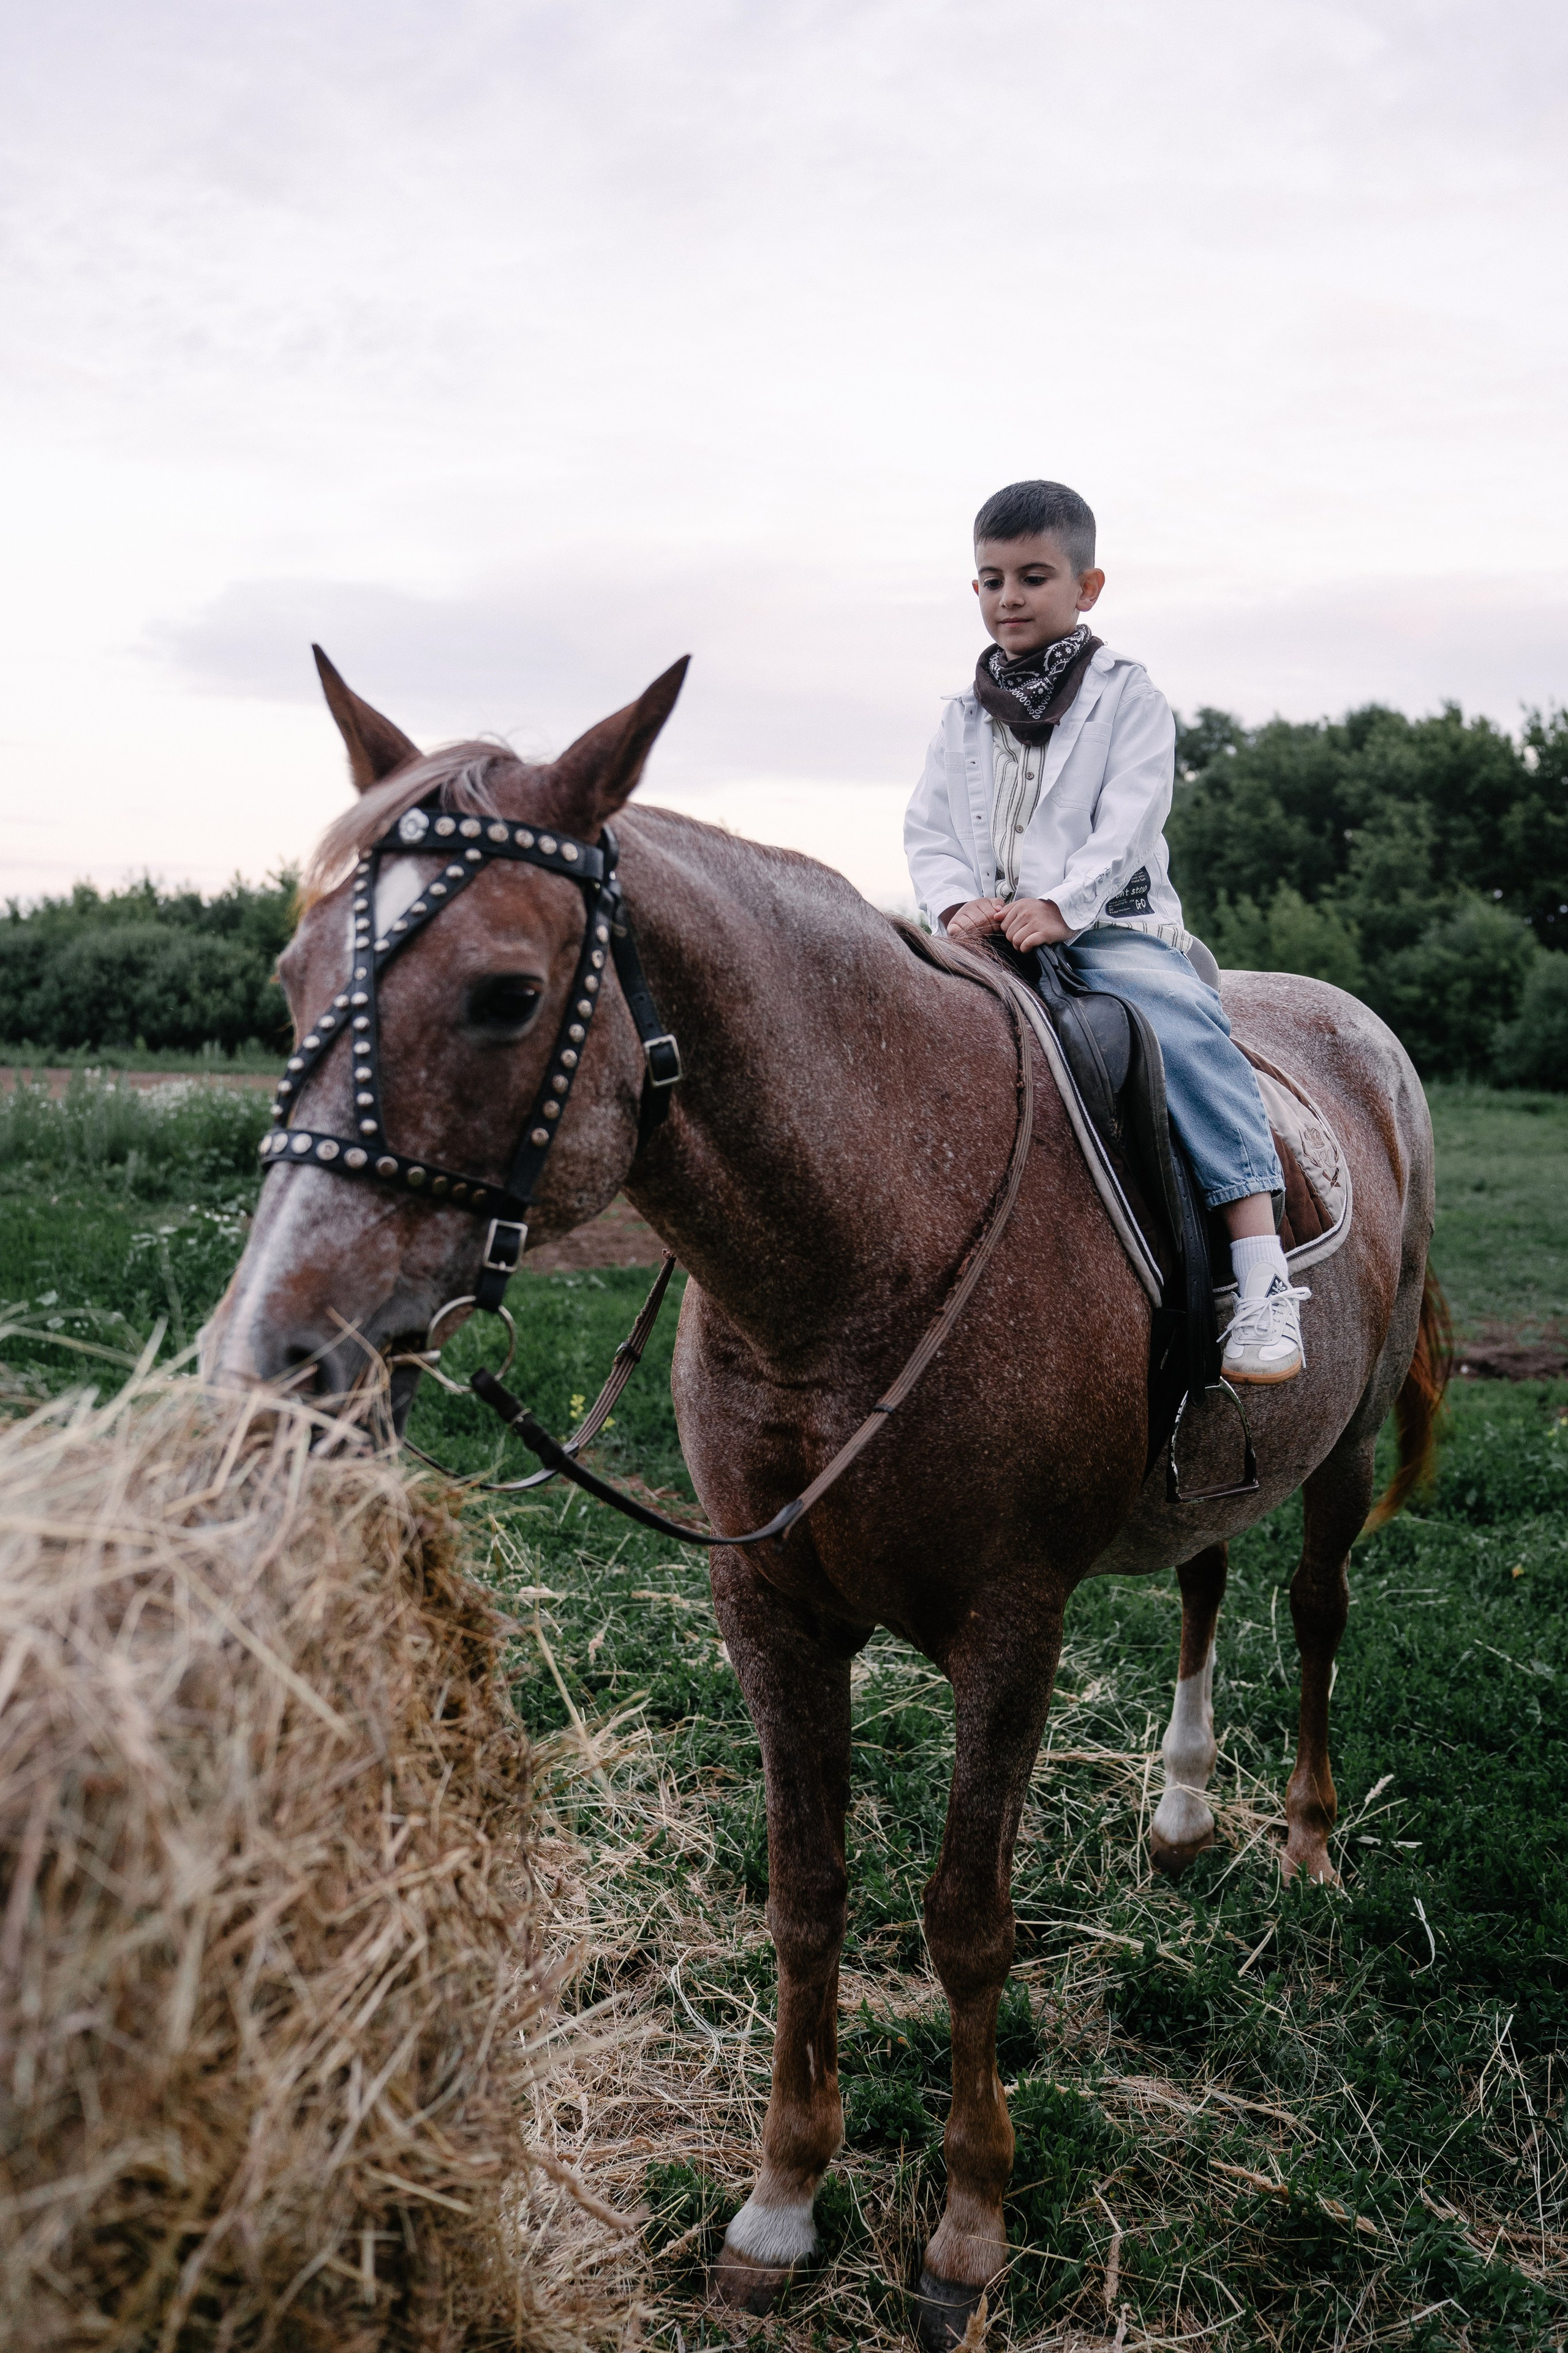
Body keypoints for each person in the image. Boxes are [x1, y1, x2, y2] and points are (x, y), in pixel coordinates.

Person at [904, 478, 1309, 1384]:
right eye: (990, 579)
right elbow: (929, 829)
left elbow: (1130, 817)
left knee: (1182, 1028)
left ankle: (1262, 1273)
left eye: (1033, 576)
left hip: (1102, 926)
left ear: (1086, 588)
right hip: (988, 928)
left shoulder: (1127, 694)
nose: (1008, 596)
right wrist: (953, 903)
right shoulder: (962, 714)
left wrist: (1065, 903)